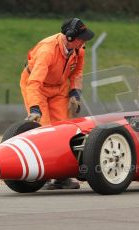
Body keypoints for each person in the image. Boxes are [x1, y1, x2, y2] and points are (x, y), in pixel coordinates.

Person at [20, 17, 95, 189]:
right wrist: (35, 108)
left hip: (59, 88)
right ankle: (44, 175)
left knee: (64, 129)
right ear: (69, 37)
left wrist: (75, 93)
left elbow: (77, 72)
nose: (84, 40)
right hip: (37, 85)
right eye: (81, 37)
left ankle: (62, 177)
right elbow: (34, 83)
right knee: (44, 129)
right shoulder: (47, 51)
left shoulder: (79, 49)